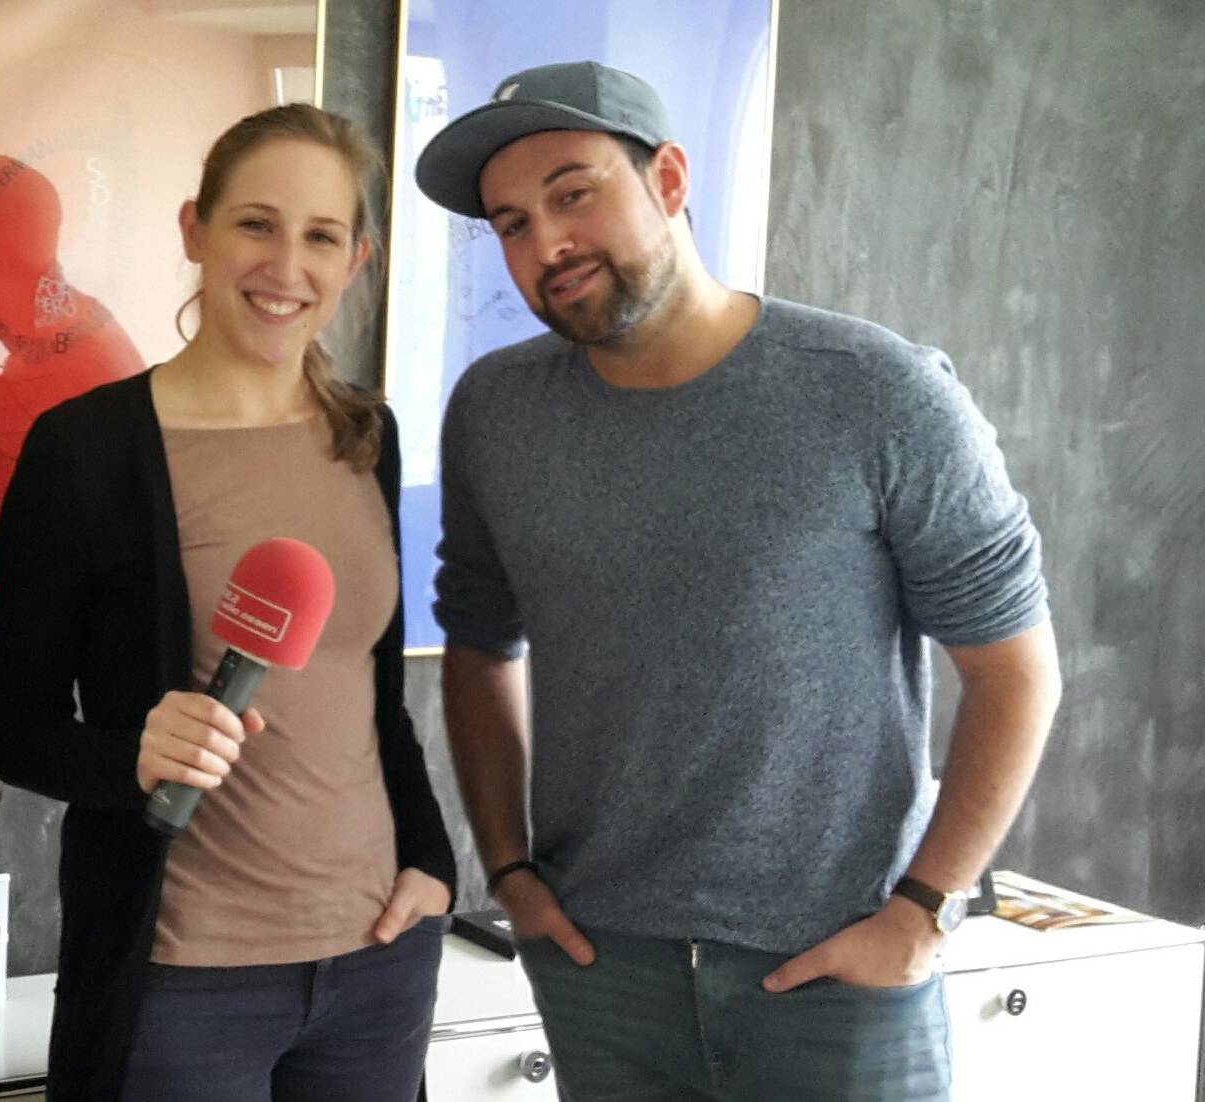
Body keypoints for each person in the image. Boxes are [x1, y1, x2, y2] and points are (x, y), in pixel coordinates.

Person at [414, 60, 1063, 1101]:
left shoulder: (876, 393)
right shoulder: (496, 411)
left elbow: (1017, 670)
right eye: (510, 223)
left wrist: (923, 908)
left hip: (837, 967)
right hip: (599, 962)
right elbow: (480, 642)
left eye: (573, 193)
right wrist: (509, 871)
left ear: (669, 178)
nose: (545, 246)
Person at [0, 103, 458, 1102]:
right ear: (196, 228)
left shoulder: (368, 433)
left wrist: (431, 862)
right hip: (181, 982)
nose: (287, 265)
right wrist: (130, 756)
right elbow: (14, 729)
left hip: (378, 959)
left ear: (357, 256)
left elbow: (376, 695)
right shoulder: (86, 450)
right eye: (256, 224)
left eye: (322, 235)